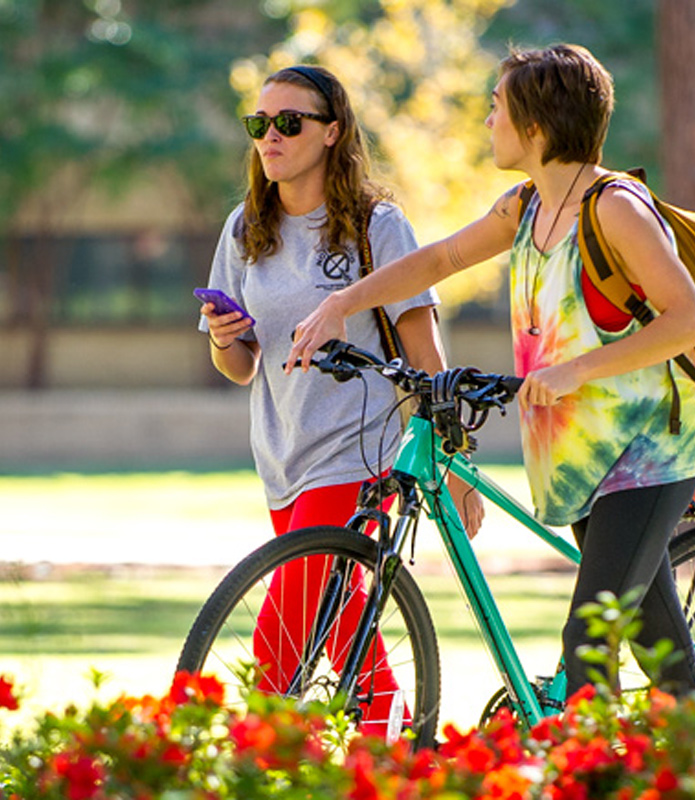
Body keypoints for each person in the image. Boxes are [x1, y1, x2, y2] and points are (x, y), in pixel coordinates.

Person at [287, 44, 695, 699]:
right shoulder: (523, 208)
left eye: (496, 108)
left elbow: (688, 321)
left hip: (646, 450)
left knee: (588, 645)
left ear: (536, 127)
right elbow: (437, 262)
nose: (487, 123)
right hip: (578, 452)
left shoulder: (616, 208)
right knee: (659, 648)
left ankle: (579, 775)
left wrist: (578, 370)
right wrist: (343, 301)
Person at [198, 64, 484, 734]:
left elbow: (425, 354)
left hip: (360, 455)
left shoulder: (376, 228)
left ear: (331, 132)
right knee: (342, 627)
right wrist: (222, 336)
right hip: (282, 457)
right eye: (260, 124)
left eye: (289, 123)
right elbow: (240, 368)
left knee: (280, 639)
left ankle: (250, 762)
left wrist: (456, 463)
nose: (271, 136)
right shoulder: (245, 230)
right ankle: (406, 757)